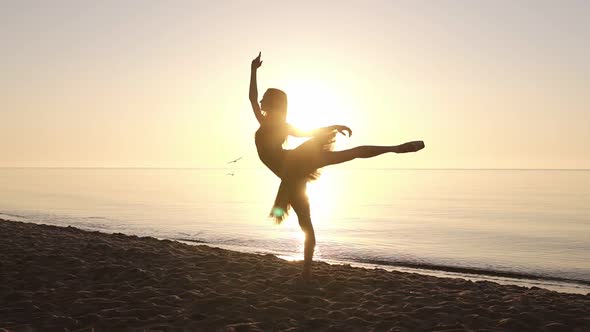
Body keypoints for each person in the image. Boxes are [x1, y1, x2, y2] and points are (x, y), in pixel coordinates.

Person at [249, 52, 424, 279]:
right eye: (262, 99)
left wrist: (332, 126)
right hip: (291, 172)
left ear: (272, 104)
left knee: (347, 157)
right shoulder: (269, 123)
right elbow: (254, 99)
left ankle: (396, 148)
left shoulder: (277, 126)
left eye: (265, 99)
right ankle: (307, 271)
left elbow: (307, 131)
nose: (261, 101)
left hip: (295, 162)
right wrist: (254, 70)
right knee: (306, 221)